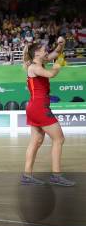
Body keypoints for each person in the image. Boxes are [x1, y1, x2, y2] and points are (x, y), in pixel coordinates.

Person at [21, 38, 74, 186]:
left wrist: (60, 45)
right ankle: (56, 175)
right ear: (37, 53)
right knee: (59, 139)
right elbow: (51, 74)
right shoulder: (35, 67)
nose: (47, 51)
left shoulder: (38, 62)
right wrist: (58, 65)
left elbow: (56, 53)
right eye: (44, 50)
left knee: (36, 141)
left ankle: (27, 175)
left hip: (34, 107)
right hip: (39, 108)